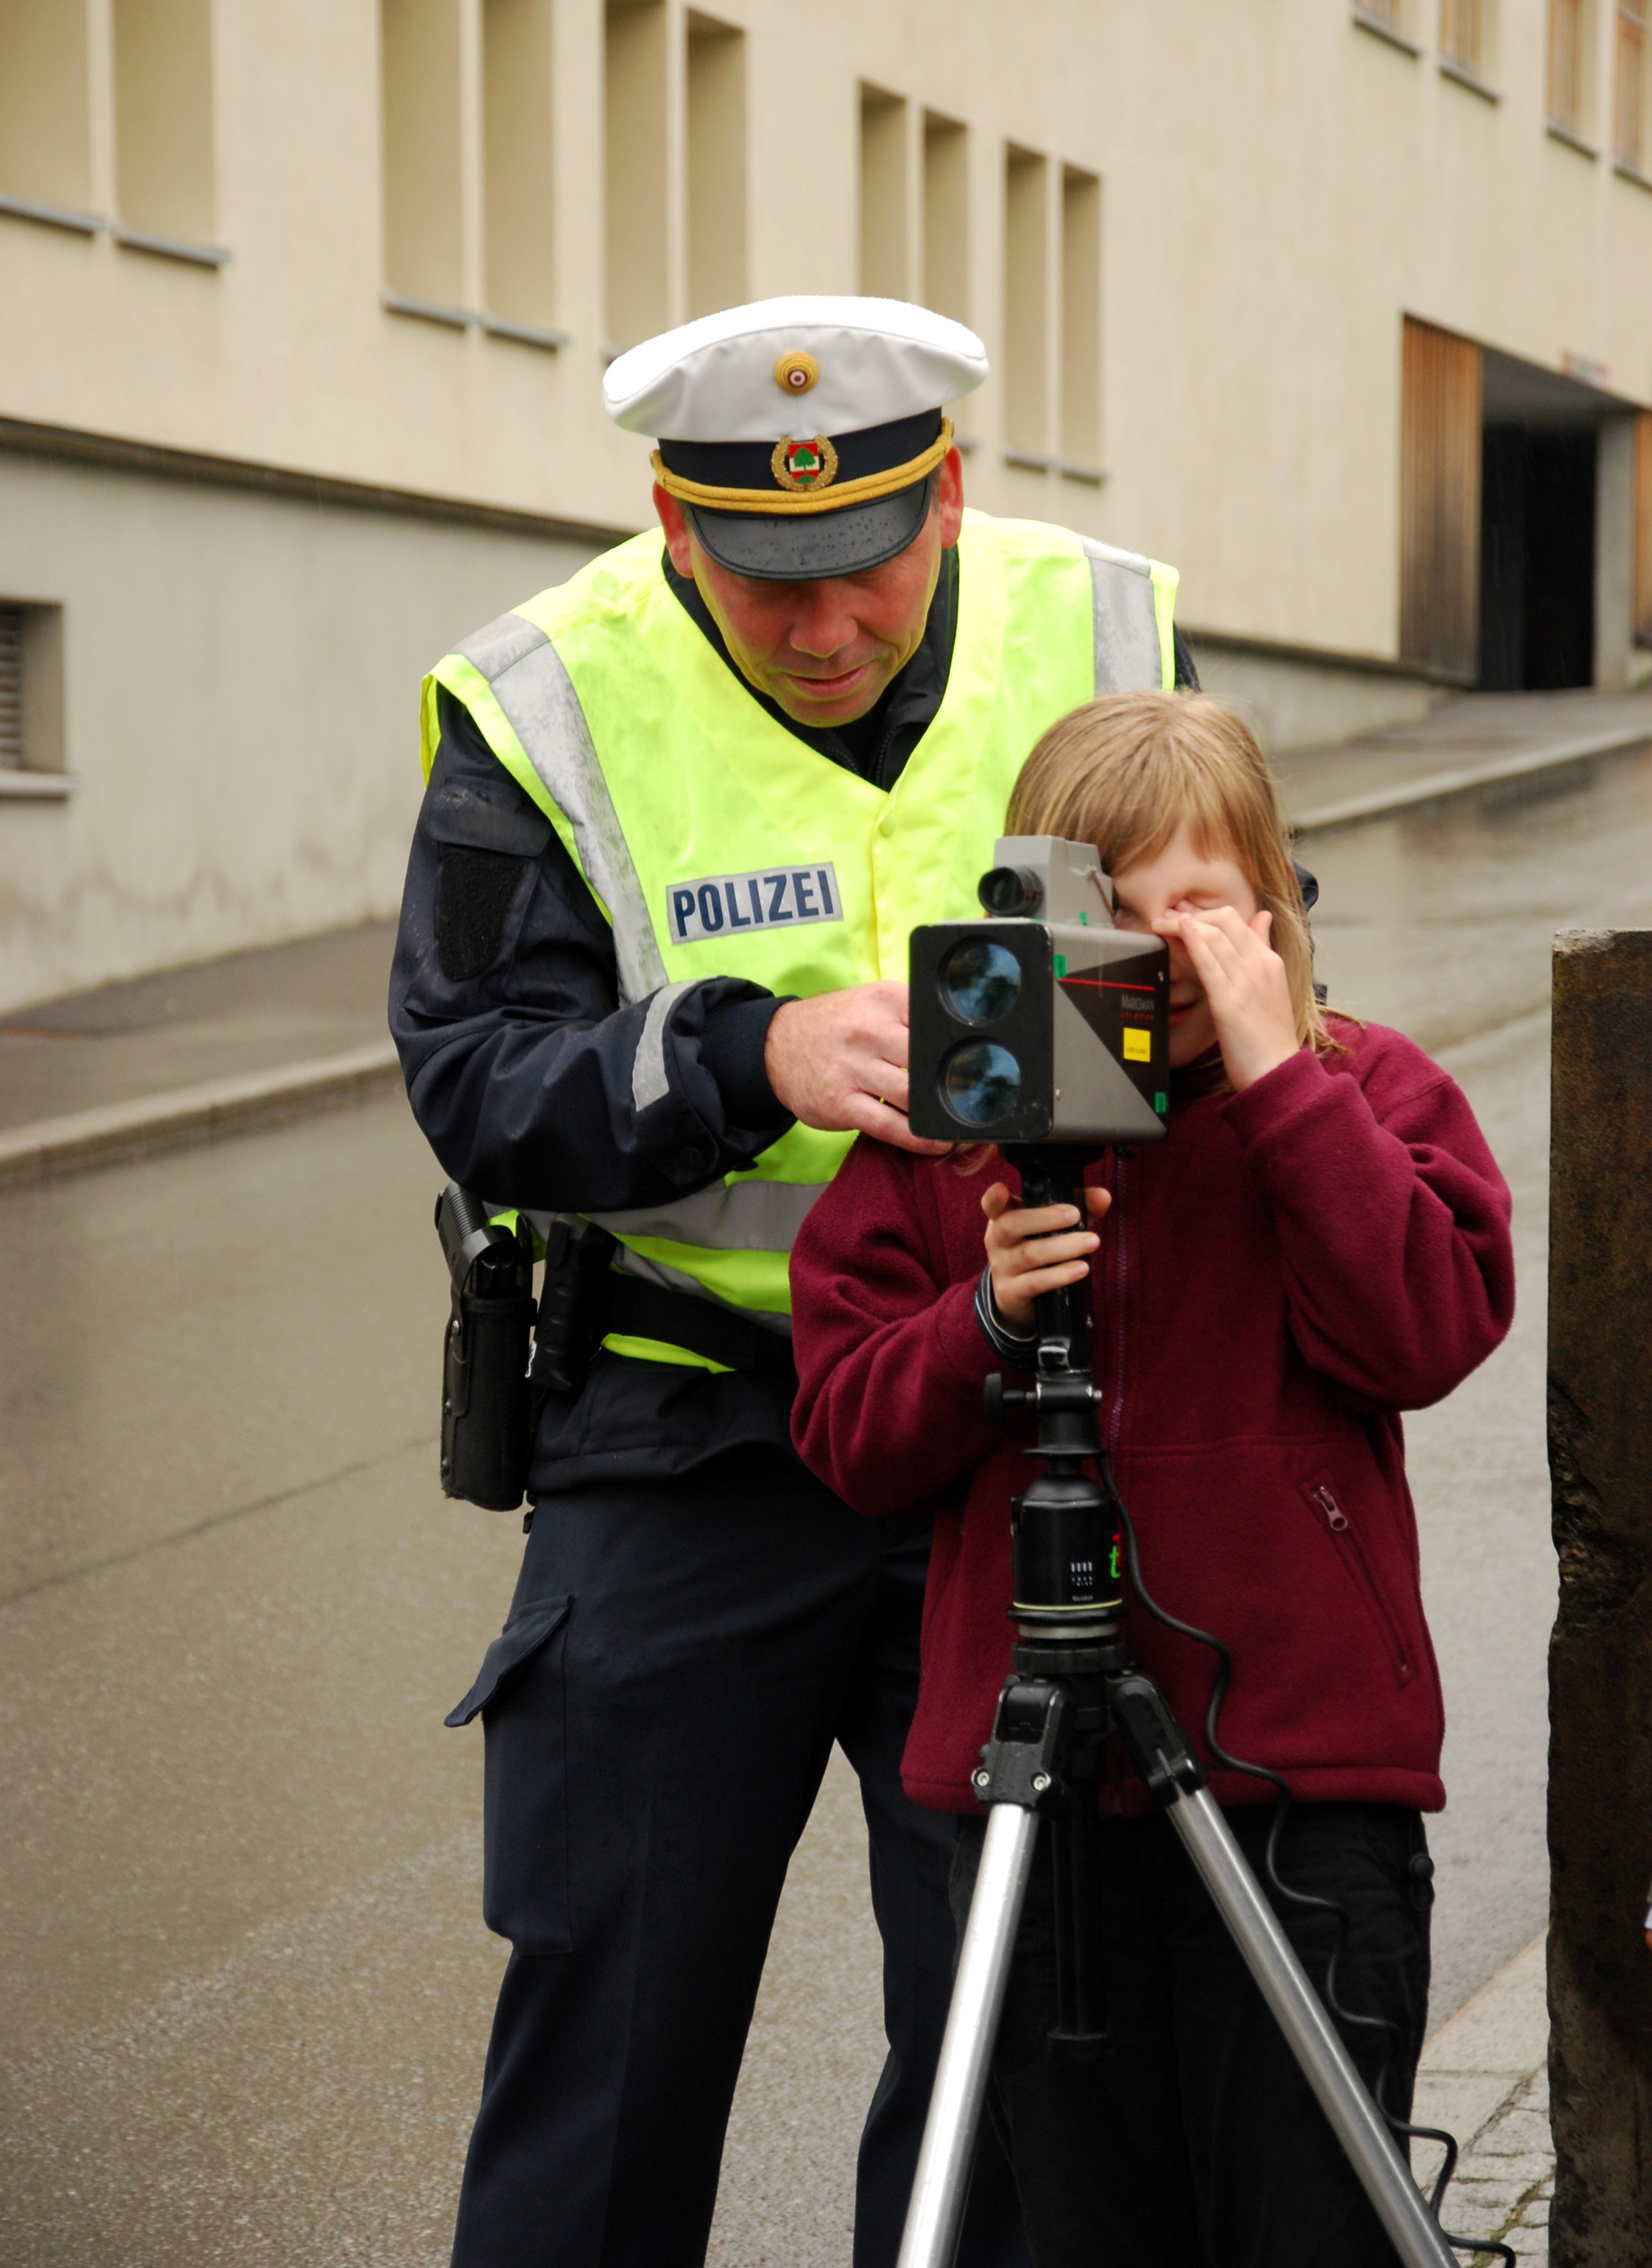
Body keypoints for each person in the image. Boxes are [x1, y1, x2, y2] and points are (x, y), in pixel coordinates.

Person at [389, 297, 1191, 2268]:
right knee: (609, 2051)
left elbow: (1237, 956)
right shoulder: (548, 695)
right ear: (678, 529)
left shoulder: (1101, 632)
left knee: (1011, 2051)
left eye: (869, 572)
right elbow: (475, 1074)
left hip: (995, 1420)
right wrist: (750, 1056)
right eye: (769, 587)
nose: (828, 630)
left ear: (950, 502)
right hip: (686, 1434)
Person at [789, 690, 1517, 2268]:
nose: (1155, 953)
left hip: (1301, 1788)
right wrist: (985, 1316)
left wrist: (1282, 1089)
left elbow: (1427, 1329)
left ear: (1270, 905)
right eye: (1110, 912)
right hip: (1043, 1802)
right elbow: (847, 1432)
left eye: (1195, 907)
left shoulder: (1362, 1091)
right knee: (1081, 2223)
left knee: (1311, 2220)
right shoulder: (955, 1141)